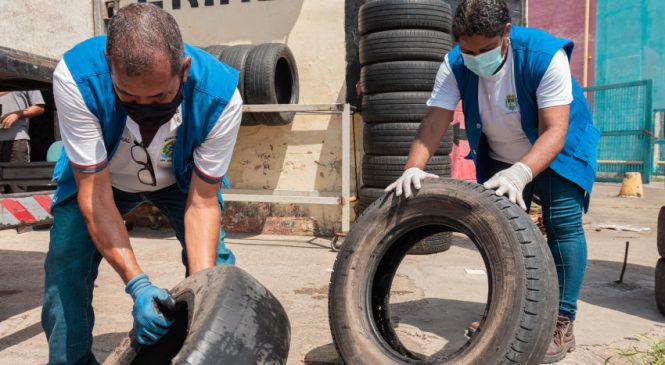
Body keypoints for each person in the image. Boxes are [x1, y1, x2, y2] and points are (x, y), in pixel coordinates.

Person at [385, 0, 599, 362]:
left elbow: (555, 129)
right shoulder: (455, 63)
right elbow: (435, 120)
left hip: (557, 148)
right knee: (500, 230)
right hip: (501, 151)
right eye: (468, 50)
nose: (476, 58)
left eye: (485, 49)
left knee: (562, 226)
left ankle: (561, 321)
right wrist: (412, 167)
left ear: (507, 33)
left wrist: (522, 172)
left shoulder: (544, 56)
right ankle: (506, 311)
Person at [41, 4, 242, 364]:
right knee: (66, 263)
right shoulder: (76, 78)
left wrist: (201, 300)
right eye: (129, 96)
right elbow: (95, 194)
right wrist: (138, 285)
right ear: (109, 65)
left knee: (217, 272)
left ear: (184, 69)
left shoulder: (221, 97)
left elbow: (202, 203)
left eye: (161, 97)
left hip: (181, 182)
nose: (145, 106)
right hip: (102, 182)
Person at [0, 90, 45, 193]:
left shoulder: (24, 79)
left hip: (16, 139)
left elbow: (39, 108)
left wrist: (17, 114)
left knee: (17, 187)